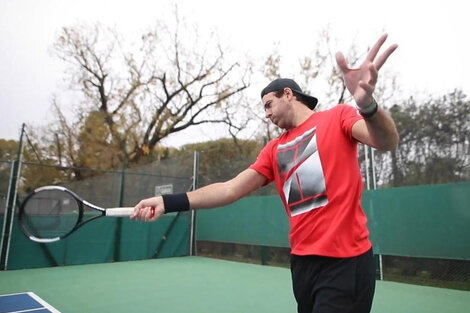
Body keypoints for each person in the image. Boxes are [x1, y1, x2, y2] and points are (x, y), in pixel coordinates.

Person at [131, 34, 399, 313]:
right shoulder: (274, 150)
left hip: (345, 262)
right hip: (302, 264)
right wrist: (167, 202)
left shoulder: (338, 117)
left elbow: (386, 142)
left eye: (268, 105)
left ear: (288, 94)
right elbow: (229, 189)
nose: (267, 114)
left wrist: (368, 106)